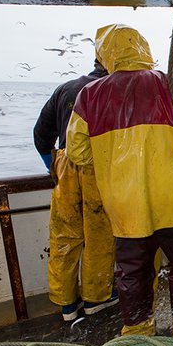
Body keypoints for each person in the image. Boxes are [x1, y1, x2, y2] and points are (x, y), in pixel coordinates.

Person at [65, 24, 173, 339]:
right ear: (143, 48)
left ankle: (137, 330)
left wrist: (108, 168)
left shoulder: (89, 95)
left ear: (106, 55)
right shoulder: (171, 84)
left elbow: (76, 150)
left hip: (123, 204)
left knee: (132, 271)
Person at [33, 60, 118, 322]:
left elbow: (40, 134)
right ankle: (96, 299)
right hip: (98, 167)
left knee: (64, 236)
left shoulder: (64, 88)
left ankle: (67, 305)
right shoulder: (111, 91)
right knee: (98, 236)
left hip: (64, 164)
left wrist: (53, 167)